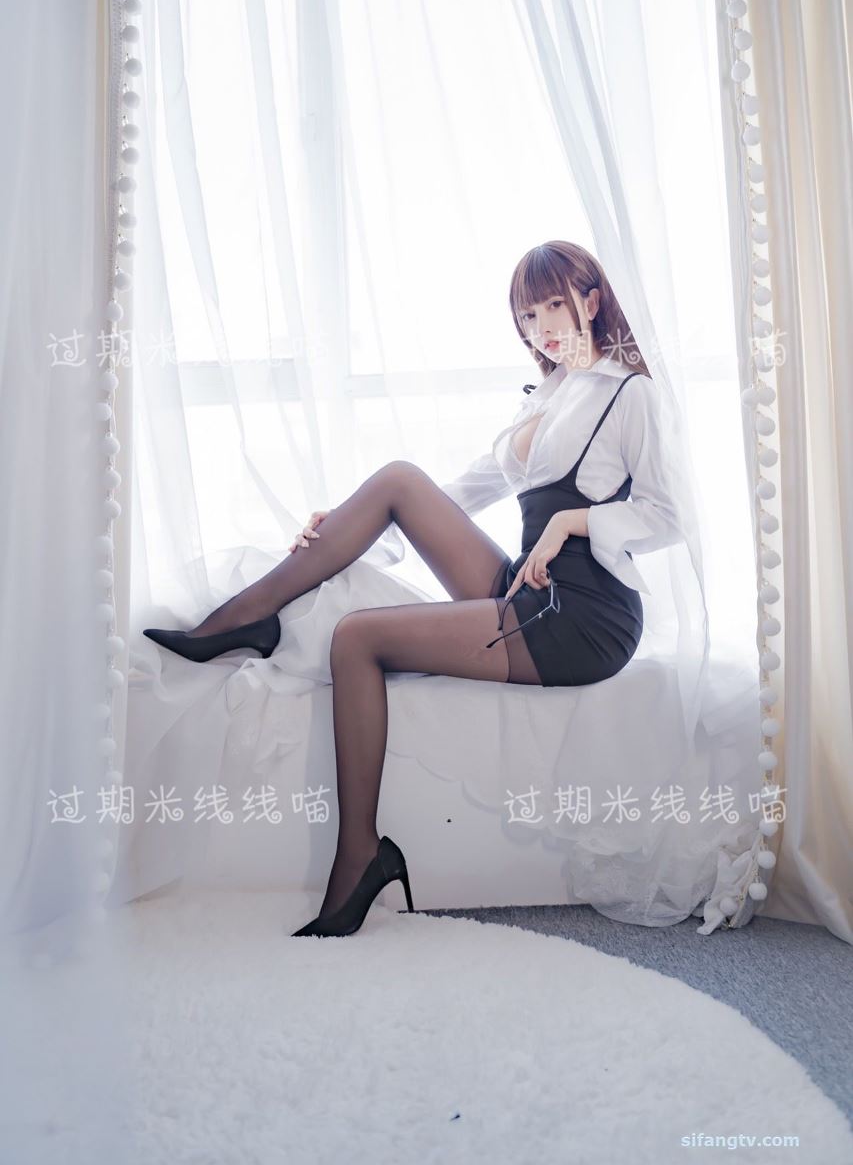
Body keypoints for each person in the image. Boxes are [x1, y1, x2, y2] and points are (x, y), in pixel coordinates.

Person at [143, 240, 690, 938]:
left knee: (356, 639)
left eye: (555, 305)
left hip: (585, 614)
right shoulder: (546, 396)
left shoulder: (626, 391)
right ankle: (247, 614)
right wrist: (345, 524)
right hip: (528, 590)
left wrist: (572, 523)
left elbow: (670, 515)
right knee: (399, 480)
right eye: (527, 315)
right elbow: (459, 494)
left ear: (591, 299)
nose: (542, 327)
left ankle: (360, 856)